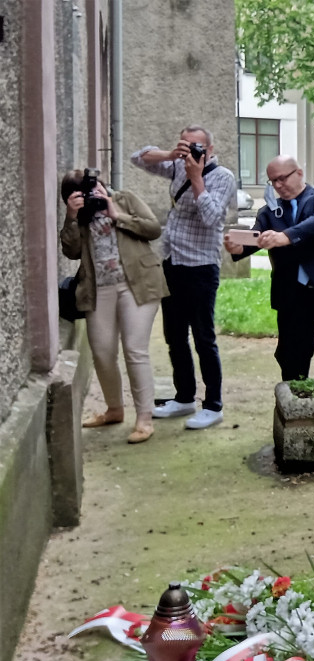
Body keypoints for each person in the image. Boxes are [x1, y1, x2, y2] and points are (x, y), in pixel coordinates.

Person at [131, 125, 235, 430]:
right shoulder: (177, 165)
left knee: (204, 338)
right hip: (172, 262)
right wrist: (170, 154)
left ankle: (213, 405)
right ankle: (185, 397)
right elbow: (137, 158)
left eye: (196, 147)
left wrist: (197, 178)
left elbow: (212, 217)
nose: (190, 151)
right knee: (175, 336)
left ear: (210, 150)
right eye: (185, 145)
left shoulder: (223, 177)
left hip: (201, 266)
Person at [225, 156, 314, 380]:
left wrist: (285, 236)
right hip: (293, 295)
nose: (278, 185)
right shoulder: (269, 211)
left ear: (299, 173)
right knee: (292, 359)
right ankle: (294, 398)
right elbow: (257, 238)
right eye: (273, 181)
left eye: (282, 178)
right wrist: (238, 247)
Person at [59, 170, 167, 444]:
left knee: (134, 349)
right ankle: (114, 409)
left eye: (93, 187)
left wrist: (116, 214)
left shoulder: (124, 199)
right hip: (98, 290)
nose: (90, 194)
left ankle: (144, 419)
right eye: (81, 193)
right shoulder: (80, 217)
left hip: (138, 284)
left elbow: (153, 229)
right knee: (102, 352)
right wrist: (71, 217)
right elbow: (71, 251)